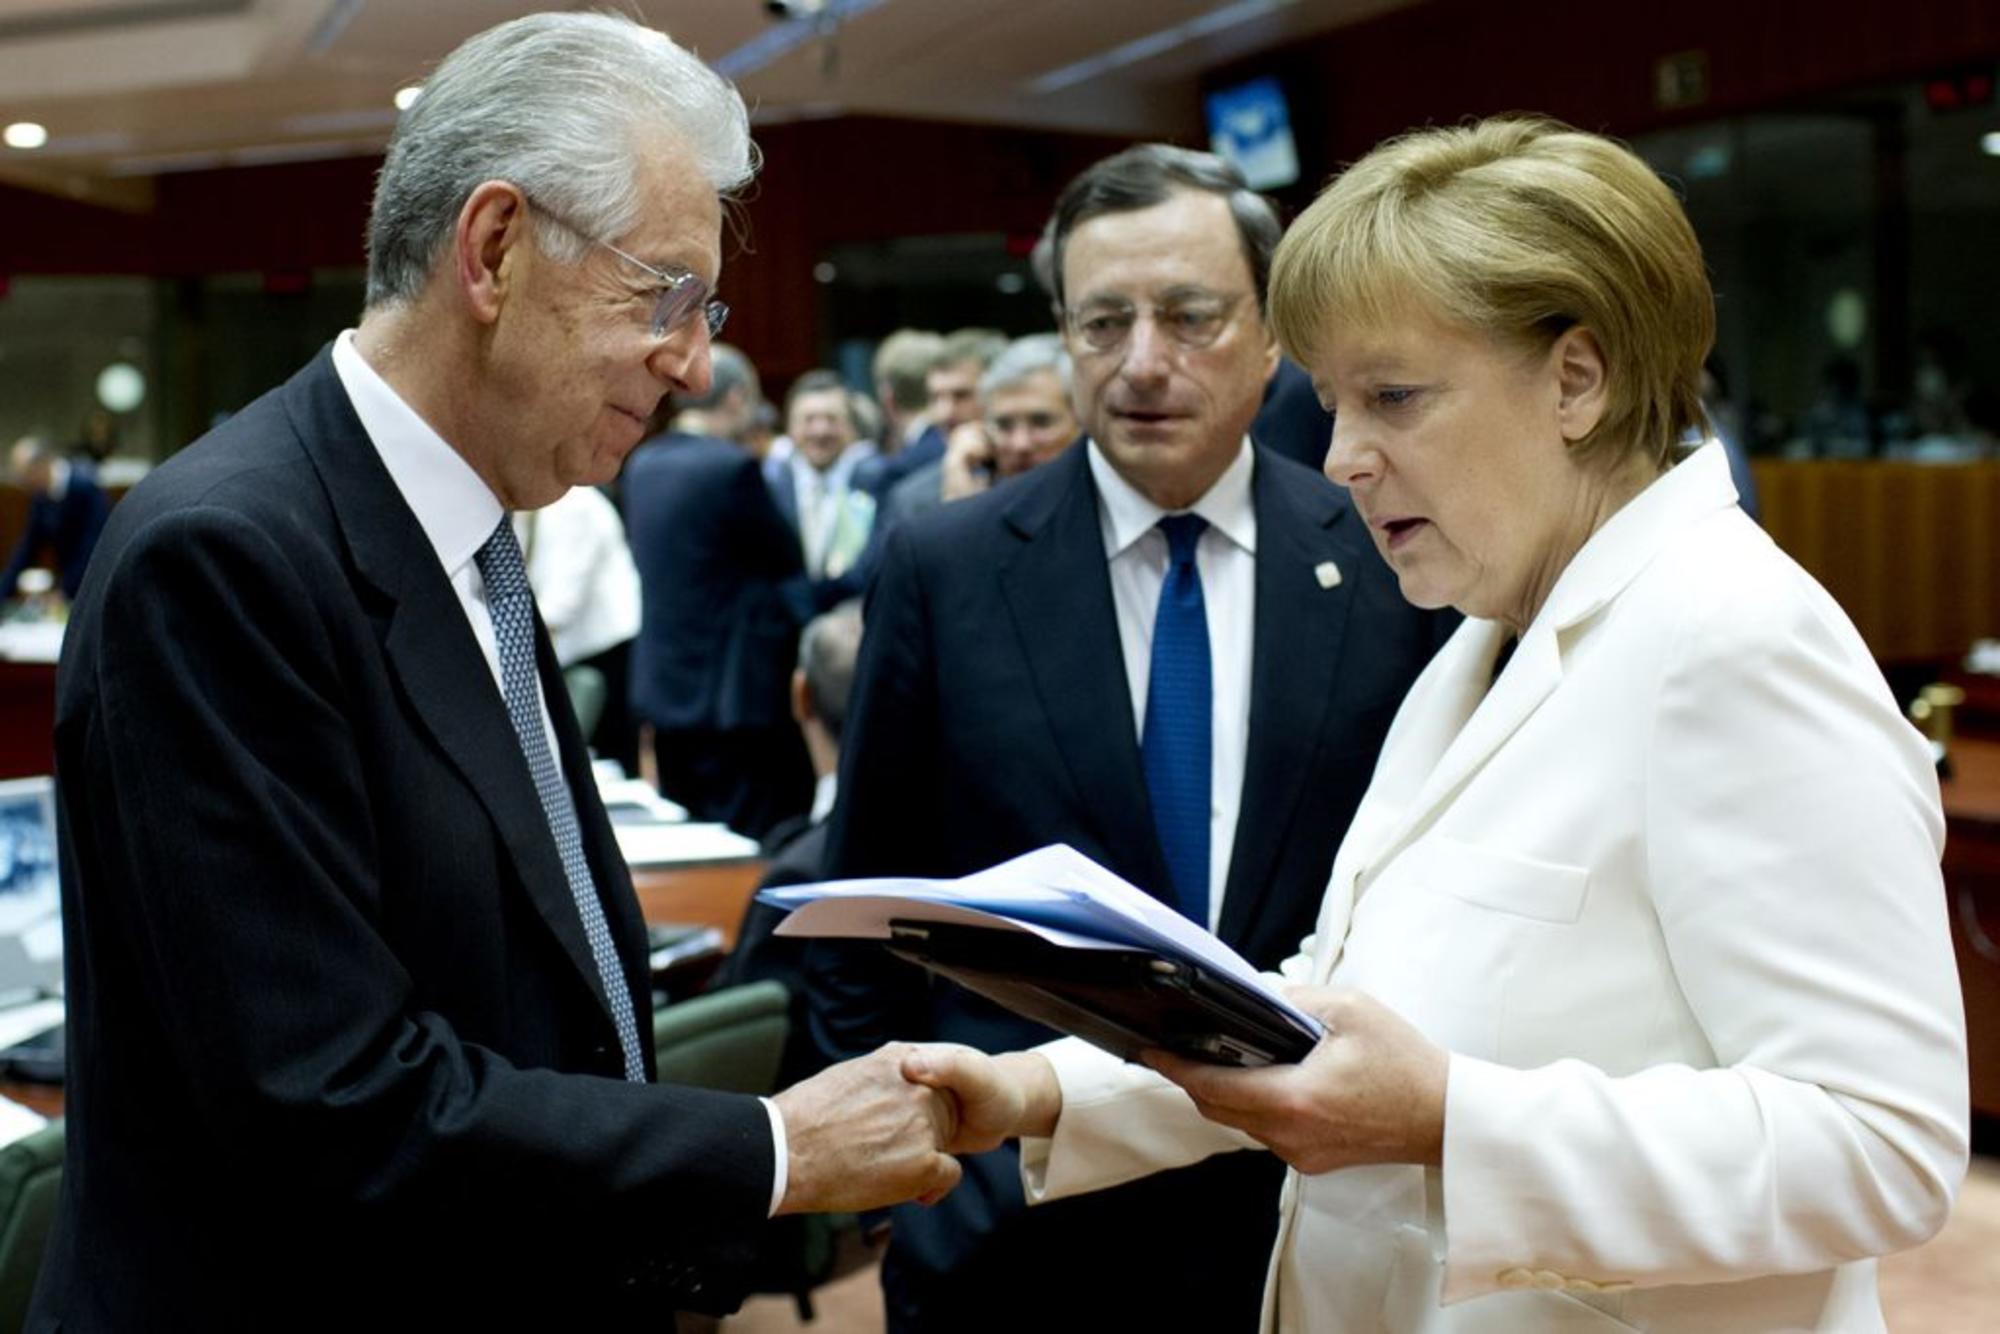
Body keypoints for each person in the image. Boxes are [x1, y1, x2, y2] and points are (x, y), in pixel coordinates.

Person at [911, 117, 1969, 1334]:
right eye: (1333, 403)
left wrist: (1453, 1118)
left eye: (1392, 398)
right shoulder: (1484, 632)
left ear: (1576, 379)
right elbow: (1346, 1003)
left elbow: (1880, 1141)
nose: (1343, 458)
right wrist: (1041, 1085)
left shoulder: (1731, 639)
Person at [37, 14, 970, 1330]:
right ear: (494, 251)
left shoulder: (475, 522)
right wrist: (771, 1147)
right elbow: (328, 1097)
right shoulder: (226, 556)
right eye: (663, 297)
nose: (695, 363)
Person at [806, 143, 1455, 1332]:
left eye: (1190, 315)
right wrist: (914, 1186)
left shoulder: (1386, 556)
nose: (1142, 362)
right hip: (1011, 1226)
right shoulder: (947, 568)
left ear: (1272, 338)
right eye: (1101, 322)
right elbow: (866, 893)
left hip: (1304, 1213)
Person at [878, 332, 1078, 537]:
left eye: (1041, 422)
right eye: (1004, 425)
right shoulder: (916, 500)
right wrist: (962, 512)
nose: (1020, 443)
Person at [768, 370, 876, 582]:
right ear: (789, 427)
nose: (820, 431)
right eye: (809, 419)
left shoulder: (876, 483)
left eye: (832, 419)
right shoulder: (769, 487)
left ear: (852, 427)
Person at [1, 435, 109, 604]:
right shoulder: (40, 498)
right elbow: (27, 549)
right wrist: (2, 591)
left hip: (94, 586)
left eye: (26, 476)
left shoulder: (86, 486)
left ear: (41, 466)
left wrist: (66, 590)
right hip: (69, 586)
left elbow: (93, 545)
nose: (24, 485)